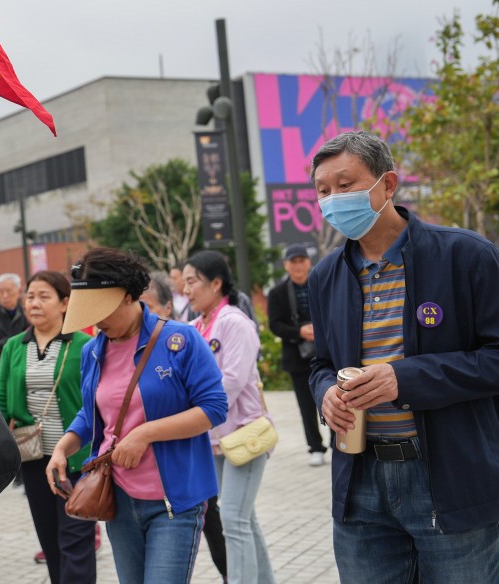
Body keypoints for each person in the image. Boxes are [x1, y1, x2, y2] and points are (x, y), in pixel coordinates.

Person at [308, 131, 499, 582]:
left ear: (388, 185)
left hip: (449, 479)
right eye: (323, 191)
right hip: (360, 483)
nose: (333, 199)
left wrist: (406, 378)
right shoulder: (325, 277)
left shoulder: (464, 255)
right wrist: (325, 396)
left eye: (346, 184)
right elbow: (321, 364)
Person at [46, 247, 228, 583]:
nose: (97, 321)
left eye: (102, 310)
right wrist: (62, 449)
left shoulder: (181, 339)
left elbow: (214, 408)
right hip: (118, 501)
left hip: (175, 501)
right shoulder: (93, 351)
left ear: (128, 294)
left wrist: (145, 434)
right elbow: (91, 416)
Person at [0, 271, 95, 584]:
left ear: (65, 303)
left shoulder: (85, 346)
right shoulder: (14, 346)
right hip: (34, 459)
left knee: (75, 543)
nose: (34, 303)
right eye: (30, 296)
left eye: (44, 296)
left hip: (75, 462)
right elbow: (0, 397)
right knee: (50, 544)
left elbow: (95, 402)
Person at [183, 250, 276, 584]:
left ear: (216, 283)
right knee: (243, 518)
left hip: (244, 433)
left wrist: (194, 413)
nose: (186, 290)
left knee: (233, 520)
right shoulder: (194, 326)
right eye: (184, 283)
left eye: (192, 281)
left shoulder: (235, 322)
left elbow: (233, 380)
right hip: (214, 437)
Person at [144, 272, 229, 582]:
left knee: (220, 520)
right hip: (145, 486)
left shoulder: (181, 339)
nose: (142, 314)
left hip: (199, 457)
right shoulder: (122, 349)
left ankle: (232, 574)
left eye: (148, 306)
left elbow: (217, 398)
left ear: (167, 307)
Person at [267, 243, 327, 466]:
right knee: (306, 406)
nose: (298, 265)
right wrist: (299, 332)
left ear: (309, 262)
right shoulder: (277, 293)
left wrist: (319, 329)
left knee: (336, 400)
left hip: (327, 353)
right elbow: (275, 325)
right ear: (286, 265)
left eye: (302, 260)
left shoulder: (323, 285)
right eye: (293, 261)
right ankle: (315, 447)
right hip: (297, 357)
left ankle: (339, 442)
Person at [0, 272, 29, 389]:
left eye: (9, 291)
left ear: (18, 292)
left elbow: (29, 343)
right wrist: (11, 355)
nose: (5, 295)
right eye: (1, 291)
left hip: (23, 374)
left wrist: (1, 343)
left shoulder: (26, 314)